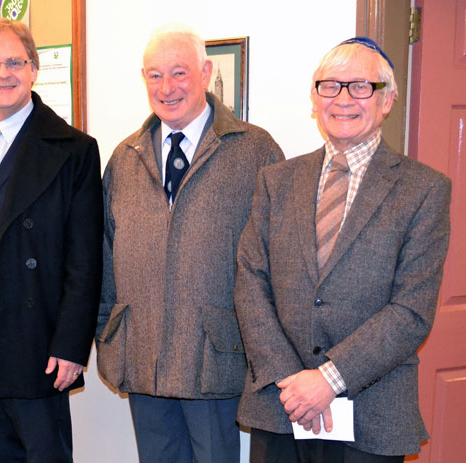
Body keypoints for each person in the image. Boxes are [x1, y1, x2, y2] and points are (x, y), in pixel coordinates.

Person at [235, 37, 451, 463]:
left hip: (373, 412)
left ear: (387, 100)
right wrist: (291, 381)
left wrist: (327, 381)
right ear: (315, 100)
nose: (343, 99)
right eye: (330, 86)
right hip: (281, 407)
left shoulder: (424, 190)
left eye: (360, 86)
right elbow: (250, 281)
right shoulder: (275, 182)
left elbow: (411, 310)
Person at [96, 24, 284, 463]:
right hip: (142, 356)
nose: (167, 87)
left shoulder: (254, 151)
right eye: (155, 75)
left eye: (179, 73)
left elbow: (278, 262)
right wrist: (108, 334)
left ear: (205, 72)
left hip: (215, 357)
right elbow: (104, 257)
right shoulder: (125, 157)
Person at [0, 18, 102, 463]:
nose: (2, 73)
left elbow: (84, 260)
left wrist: (71, 345)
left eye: (14, 62)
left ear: (33, 69)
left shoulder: (73, 150)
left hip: (35, 343)